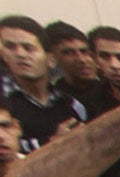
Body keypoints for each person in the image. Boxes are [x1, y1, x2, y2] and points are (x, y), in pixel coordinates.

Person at [1, 17, 87, 154]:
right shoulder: (3, 103)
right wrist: (53, 142)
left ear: (51, 59)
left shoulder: (71, 105)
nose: (20, 54)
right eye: (10, 47)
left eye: (29, 48)